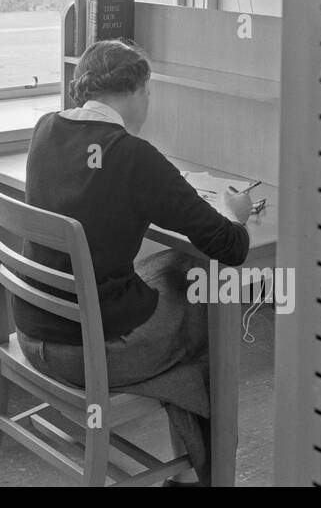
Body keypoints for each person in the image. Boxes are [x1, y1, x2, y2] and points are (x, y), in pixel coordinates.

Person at [14, 39, 252, 481]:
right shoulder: (133, 156)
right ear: (139, 89)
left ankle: (188, 469)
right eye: (149, 94)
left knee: (173, 269)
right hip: (89, 354)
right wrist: (231, 212)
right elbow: (230, 246)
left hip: (32, 333)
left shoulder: (46, 129)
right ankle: (209, 471)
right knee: (205, 296)